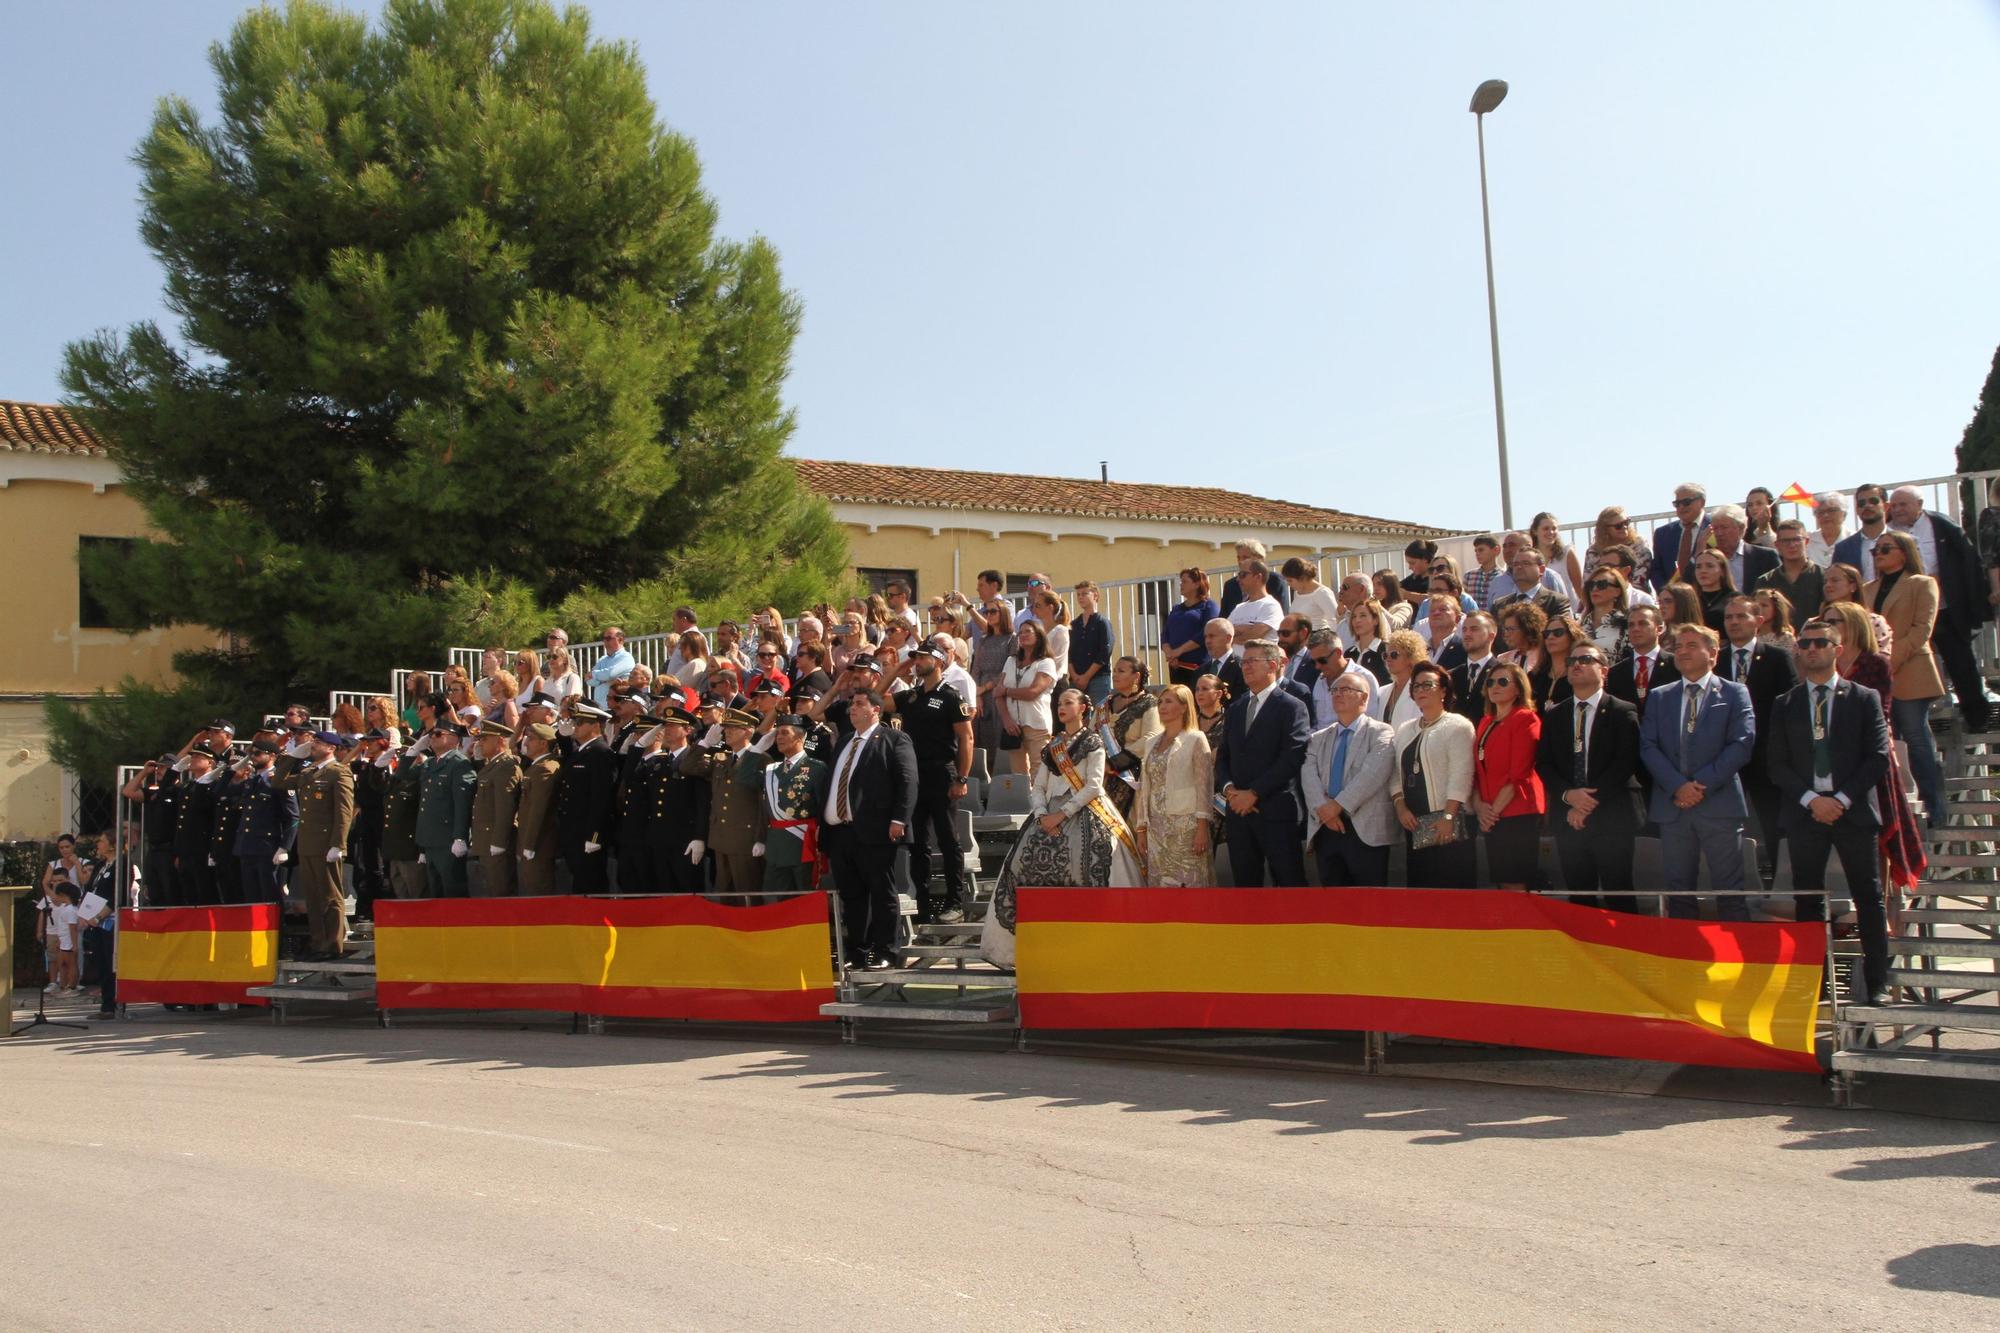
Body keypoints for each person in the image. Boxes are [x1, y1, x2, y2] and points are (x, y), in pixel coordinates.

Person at [1768, 623, 1892, 1003]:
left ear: (1837, 649)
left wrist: (1840, 799)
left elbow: (1878, 757)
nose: (1811, 649)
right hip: (1806, 812)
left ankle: (1877, 982)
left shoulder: (1863, 698)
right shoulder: (1785, 703)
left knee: (1868, 897)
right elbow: (1776, 764)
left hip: (1851, 812)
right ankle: (1814, 984)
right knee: (1808, 899)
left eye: (1821, 642)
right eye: (1804, 644)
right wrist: (1811, 800)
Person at [982, 687, 1145, 967]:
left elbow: (1094, 786)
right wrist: (1043, 812)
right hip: (1048, 813)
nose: (1062, 707)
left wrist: (1062, 814)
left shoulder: (1093, 742)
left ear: (1082, 708)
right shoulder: (1052, 746)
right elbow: (1039, 785)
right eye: (1059, 703)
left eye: (1068, 702)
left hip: (1085, 810)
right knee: (1021, 864)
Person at [1638, 624, 1756, 921]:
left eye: (1691, 645)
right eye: (1678, 647)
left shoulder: (1734, 693)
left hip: (1719, 806)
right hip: (1673, 806)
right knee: (1679, 893)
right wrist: (1678, 786)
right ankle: (1685, 961)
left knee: (1729, 891)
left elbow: (1741, 744)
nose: (1682, 651)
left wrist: (1699, 785)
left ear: (1713, 654)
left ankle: (1736, 961)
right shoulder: (1660, 695)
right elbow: (1649, 746)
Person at [1821, 605, 1930, 896]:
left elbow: (1878, 713)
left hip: (1869, 759)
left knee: (1877, 836)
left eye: (1834, 621)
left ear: (1854, 624)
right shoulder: (1819, 663)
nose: (1827, 625)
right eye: (1824, 620)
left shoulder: (1875, 663)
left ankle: (1880, 905)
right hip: (1826, 760)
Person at [1536, 646, 1640, 910]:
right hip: (1568, 819)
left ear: (1604, 670)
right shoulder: (1555, 714)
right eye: (1571, 660)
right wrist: (1568, 796)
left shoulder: (1621, 711)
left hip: (1611, 817)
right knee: (1579, 897)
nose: (1576, 665)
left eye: (1585, 659)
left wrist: (1586, 802)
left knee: (1619, 895)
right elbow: (1544, 764)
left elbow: (1625, 762)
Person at [1886, 483, 1994, 734]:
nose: (1898, 509)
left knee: (1961, 662)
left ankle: (1977, 718)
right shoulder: (1888, 532)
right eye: (1895, 504)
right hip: (1908, 611)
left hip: (1945, 608)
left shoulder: (1942, 525)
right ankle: (1920, 721)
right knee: (1909, 664)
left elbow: (1967, 562)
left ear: (1920, 505)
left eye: (1904, 504)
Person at [823, 689, 918, 970]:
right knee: (851, 895)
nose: (852, 708)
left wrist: (900, 819)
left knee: (881, 891)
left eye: (859, 703)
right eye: (852, 703)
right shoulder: (843, 742)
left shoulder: (893, 739)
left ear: (876, 710)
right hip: (841, 832)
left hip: (876, 831)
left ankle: (887, 950)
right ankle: (857, 951)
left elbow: (908, 781)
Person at [887, 644, 974, 921]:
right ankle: (923, 905)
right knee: (918, 844)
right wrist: (895, 671)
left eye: (923, 657)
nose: (917, 662)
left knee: (948, 840)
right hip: (915, 775)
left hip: (941, 772)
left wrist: (961, 777)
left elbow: (966, 738)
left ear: (938, 661)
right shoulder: (911, 696)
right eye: (915, 658)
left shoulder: (950, 696)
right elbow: (875, 699)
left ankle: (955, 902)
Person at [1864, 529, 1946, 824]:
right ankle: (1901, 806)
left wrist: (1890, 660)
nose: (1880, 554)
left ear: (1905, 551)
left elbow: (1922, 629)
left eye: (1886, 548)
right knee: (1889, 741)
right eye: (1876, 550)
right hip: (1878, 675)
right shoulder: (1867, 589)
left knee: (1916, 736)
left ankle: (1934, 803)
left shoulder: (1922, 583)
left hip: (1911, 670)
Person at [1718, 595, 1800, 889]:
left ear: (1759, 621)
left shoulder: (1777, 658)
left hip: (1767, 758)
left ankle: (1782, 887)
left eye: (1741, 616)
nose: (1735, 622)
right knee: (1725, 828)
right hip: (1726, 761)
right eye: (1729, 617)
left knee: (1774, 825)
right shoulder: (1715, 659)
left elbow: (1790, 708)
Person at [1215, 640, 1312, 887]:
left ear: (1272, 665)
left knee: (1289, 884)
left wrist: (1255, 793)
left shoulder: (1292, 706)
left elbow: (1292, 756)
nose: (1245, 667)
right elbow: (1224, 756)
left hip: (1276, 812)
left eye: (1251, 661)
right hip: (1238, 814)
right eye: (1243, 662)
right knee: (1246, 887)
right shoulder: (1236, 708)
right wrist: (1229, 790)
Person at [1302, 670, 1398, 886]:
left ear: (1364, 697)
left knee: (1369, 904)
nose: (1337, 695)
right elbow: (1308, 775)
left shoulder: (1382, 732)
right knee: (1333, 904)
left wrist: (1337, 806)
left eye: (1345, 690)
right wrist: (1323, 809)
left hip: (1364, 831)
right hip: (1326, 827)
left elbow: (1372, 775)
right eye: (1334, 690)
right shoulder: (1319, 738)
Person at [273, 730, 358, 959]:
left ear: (331, 747)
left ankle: (333, 945)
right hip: (308, 843)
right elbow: (278, 781)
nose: (313, 745)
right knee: (313, 897)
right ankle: (318, 943)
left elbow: (343, 812)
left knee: (330, 896)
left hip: (326, 843)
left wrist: (338, 844)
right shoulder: (309, 772)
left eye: (318, 742)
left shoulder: (338, 772)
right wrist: (293, 757)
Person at [1391, 662, 1477, 887]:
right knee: (1421, 891)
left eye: (1428, 684)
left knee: (1452, 891)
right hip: (1415, 825)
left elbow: (1462, 774)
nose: (1421, 690)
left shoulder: (1458, 726)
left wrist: (1448, 817)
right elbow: (1394, 774)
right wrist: (1400, 808)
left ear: (1443, 690)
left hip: (1448, 824)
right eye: (1416, 686)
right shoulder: (1404, 730)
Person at [679, 707, 768, 897]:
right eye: (726, 728)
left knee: (748, 894)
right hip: (721, 837)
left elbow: (763, 804)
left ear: (748, 731)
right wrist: (705, 743)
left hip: (746, 840)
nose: (727, 732)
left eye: (733, 728)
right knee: (725, 894)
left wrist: (761, 838)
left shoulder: (760, 759)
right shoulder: (722, 759)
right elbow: (687, 767)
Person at [1471, 661, 1544, 892]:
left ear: (1518, 688)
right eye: (1490, 682)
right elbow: (1476, 770)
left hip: (1517, 812)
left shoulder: (1525, 718)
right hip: (1493, 813)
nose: (1495, 686)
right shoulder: (1485, 721)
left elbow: (1519, 774)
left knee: (1515, 880)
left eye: (1503, 681)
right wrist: (1480, 806)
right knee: (1502, 879)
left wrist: (1491, 814)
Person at [1133, 684, 1215, 887]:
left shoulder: (1196, 738)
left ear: (1184, 706)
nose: (1162, 706)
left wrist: (1202, 828)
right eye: (1160, 701)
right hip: (1156, 825)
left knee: (1189, 883)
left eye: (1169, 701)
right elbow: (1144, 787)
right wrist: (1141, 829)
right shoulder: (1151, 742)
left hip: (1185, 825)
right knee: (1159, 884)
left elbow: (1204, 785)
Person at [627, 707, 710, 893]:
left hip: (685, 840)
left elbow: (701, 803)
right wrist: (639, 745)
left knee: (687, 890)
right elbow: (629, 776)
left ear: (687, 730)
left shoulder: (694, 760)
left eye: (673, 726)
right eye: (666, 726)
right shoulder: (658, 762)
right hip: (659, 838)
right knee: (664, 891)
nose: (668, 730)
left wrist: (699, 837)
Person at [557, 699, 620, 892]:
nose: (575, 726)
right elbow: (570, 761)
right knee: (579, 883)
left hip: (587, 832)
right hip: (574, 831)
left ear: (595, 725)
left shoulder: (601, 753)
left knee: (591, 885)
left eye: (580, 722)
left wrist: (595, 836)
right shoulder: (583, 752)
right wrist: (563, 737)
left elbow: (601, 799)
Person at [233, 735, 298, 906]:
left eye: (258, 753)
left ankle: (275, 932)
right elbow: (220, 790)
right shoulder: (251, 781)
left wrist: (285, 846)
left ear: (272, 756)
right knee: (252, 897)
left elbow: (293, 816)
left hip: (267, 847)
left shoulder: (278, 781)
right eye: (251, 753)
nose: (253, 757)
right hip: (247, 846)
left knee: (269, 896)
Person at [1096, 656, 1160, 824]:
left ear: (1136, 677)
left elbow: (1150, 739)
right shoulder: (1104, 705)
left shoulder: (1150, 704)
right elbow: (1091, 736)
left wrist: (1114, 763)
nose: (1115, 675)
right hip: (1101, 774)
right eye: (1115, 670)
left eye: (1121, 671)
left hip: (1133, 777)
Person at [997, 618, 1061, 775]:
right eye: (1021, 631)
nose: (1023, 634)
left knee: (1039, 773)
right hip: (1013, 726)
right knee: (1019, 775)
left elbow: (1032, 692)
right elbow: (997, 693)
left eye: (1028, 631)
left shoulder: (1046, 663)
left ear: (1039, 636)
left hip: (1036, 725)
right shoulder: (1011, 661)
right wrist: (1006, 720)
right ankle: (1023, 801)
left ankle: (1038, 801)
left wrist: (1007, 691)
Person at [468, 719, 521, 897]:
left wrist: (498, 842)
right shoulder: (492, 766)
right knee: (491, 890)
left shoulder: (506, 766)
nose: (480, 743)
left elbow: (505, 808)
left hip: (496, 841)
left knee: (500, 891)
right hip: (486, 840)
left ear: (499, 741)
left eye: (485, 739)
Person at [512, 723, 564, 895]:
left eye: (531, 739)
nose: (526, 743)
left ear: (544, 743)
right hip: (532, 841)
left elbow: (538, 810)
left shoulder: (545, 768)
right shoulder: (537, 767)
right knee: (532, 889)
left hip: (539, 843)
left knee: (539, 891)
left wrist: (530, 844)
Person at [1606, 604, 1680, 722]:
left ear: (1659, 629)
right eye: (1631, 625)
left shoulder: (1676, 665)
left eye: (1643, 623)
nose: (1635, 629)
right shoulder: (1615, 672)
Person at [970, 599, 1016, 754]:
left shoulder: (1012, 639)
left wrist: (985, 688)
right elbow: (975, 668)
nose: (988, 615)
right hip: (980, 691)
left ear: (1003, 613)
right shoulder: (983, 640)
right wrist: (977, 694)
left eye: (993, 611)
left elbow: (1009, 669)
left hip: (999, 690)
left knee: (997, 734)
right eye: (986, 612)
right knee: (980, 735)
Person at [1755, 519, 1824, 622]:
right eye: (1785, 541)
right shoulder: (1765, 581)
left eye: (1796, 539)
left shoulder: (1823, 576)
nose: (1791, 545)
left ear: (1806, 541)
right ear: (1777, 545)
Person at [1705, 503, 1779, 595]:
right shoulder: (1708, 559)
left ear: (1741, 528)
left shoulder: (1766, 557)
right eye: (1715, 528)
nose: (1719, 533)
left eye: (1724, 527)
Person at [1823, 561, 1893, 657]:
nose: (1828, 585)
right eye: (1825, 582)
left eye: (1835, 580)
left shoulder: (1874, 622)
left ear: (1853, 586)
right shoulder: (1815, 622)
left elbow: (1882, 659)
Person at [1162, 567, 1218, 687]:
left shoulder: (1208, 606)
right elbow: (1165, 633)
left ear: (1197, 584)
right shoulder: (1176, 608)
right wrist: (1170, 654)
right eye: (1181, 582)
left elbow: (1206, 631)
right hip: (1176, 665)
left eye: (1185, 582)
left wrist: (1179, 651)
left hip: (1198, 665)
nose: (1181, 585)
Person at [1651, 482, 1711, 591]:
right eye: (1677, 504)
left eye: (1686, 502)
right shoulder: (1663, 534)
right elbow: (1656, 569)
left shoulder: (1715, 528)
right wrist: (1665, 592)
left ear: (1702, 502)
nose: (1681, 507)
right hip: (1673, 599)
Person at [1490, 548, 1572, 621]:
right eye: (1515, 564)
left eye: (1526, 563)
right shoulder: (1499, 605)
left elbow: (1559, 634)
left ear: (1541, 569)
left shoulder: (1556, 602)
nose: (1519, 567)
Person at [1370, 629, 1428, 731]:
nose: (1388, 659)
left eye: (1394, 655)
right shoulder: (1382, 691)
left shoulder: (1421, 690)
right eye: (1385, 655)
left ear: (1411, 657)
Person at [1067, 581, 1114, 705]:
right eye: (1078, 595)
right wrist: (1074, 675)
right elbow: (1068, 652)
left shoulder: (1102, 622)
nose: (1080, 597)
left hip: (1098, 678)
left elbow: (1105, 652)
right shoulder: (1074, 624)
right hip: (1075, 678)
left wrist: (1086, 677)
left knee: (1098, 719)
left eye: (1084, 594)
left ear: (1096, 596)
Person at [1832, 482, 1890, 581]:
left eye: (1873, 501)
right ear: (1857, 510)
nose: (1867, 506)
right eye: (1861, 503)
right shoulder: (1843, 549)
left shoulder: (1904, 542)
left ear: (1886, 506)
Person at [1219, 539, 1290, 617]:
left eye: (1245, 557)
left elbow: (1282, 614)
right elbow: (1224, 617)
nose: (1241, 561)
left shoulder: (1276, 582)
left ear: (1259, 559)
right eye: (1238, 558)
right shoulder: (1230, 585)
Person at [1578, 566, 1632, 661]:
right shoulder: (1578, 625)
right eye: (1591, 585)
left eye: (1601, 584)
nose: (1595, 589)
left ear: (1617, 591)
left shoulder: (1626, 624)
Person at [1529, 511, 1585, 603]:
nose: (1551, 532)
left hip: (1566, 610)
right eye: (1546, 529)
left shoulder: (1567, 554)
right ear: (1535, 531)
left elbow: (1580, 589)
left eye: (1554, 528)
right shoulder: (1529, 557)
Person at [1226, 561, 1283, 643]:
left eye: (1242, 574)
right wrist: (1243, 628)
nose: (1238, 579)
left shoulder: (1271, 606)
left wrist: (1231, 636)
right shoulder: (1239, 607)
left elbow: (1254, 636)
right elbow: (1223, 633)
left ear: (1258, 577)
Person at [1281, 556, 1342, 631]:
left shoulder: (1322, 593)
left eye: (1290, 580)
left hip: (1318, 637)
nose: (1288, 584)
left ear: (1302, 577)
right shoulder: (1297, 593)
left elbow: (1334, 620)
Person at [1684, 548, 1737, 632]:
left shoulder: (1735, 599)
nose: (1703, 571)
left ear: (1722, 571)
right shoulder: (1689, 599)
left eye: (1709, 566)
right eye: (1698, 567)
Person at [589, 626, 635, 707]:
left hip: (617, 707)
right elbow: (589, 681)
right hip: (600, 707)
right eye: (604, 638)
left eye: (609, 638)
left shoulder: (626, 657)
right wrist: (606, 681)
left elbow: (610, 674)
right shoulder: (602, 659)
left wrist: (594, 676)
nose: (605, 641)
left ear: (620, 640)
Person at [1347, 599, 1390, 682]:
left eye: (1363, 615)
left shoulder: (1386, 650)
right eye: (1354, 617)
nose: (1357, 620)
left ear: (1376, 620)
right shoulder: (1349, 653)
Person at [1807, 491, 1850, 569]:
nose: (1826, 515)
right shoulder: (1807, 541)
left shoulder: (1854, 539)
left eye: (1831, 510)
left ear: (1844, 514)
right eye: (1820, 512)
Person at [1463, 533, 1504, 609]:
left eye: (1481, 550)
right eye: (1476, 551)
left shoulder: (1504, 577)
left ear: (1496, 550)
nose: (1477, 554)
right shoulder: (1469, 576)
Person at [1753, 587, 1798, 654]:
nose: (1759, 608)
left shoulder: (1785, 638)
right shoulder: (1748, 636)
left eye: (1764, 605)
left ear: (1776, 609)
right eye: (1756, 605)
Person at [1193, 672, 1230, 751]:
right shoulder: (1191, 722)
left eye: (1205, 689)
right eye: (1197, 689)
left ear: (1219, 694)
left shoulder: (1230, 720)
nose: (1199, 693)